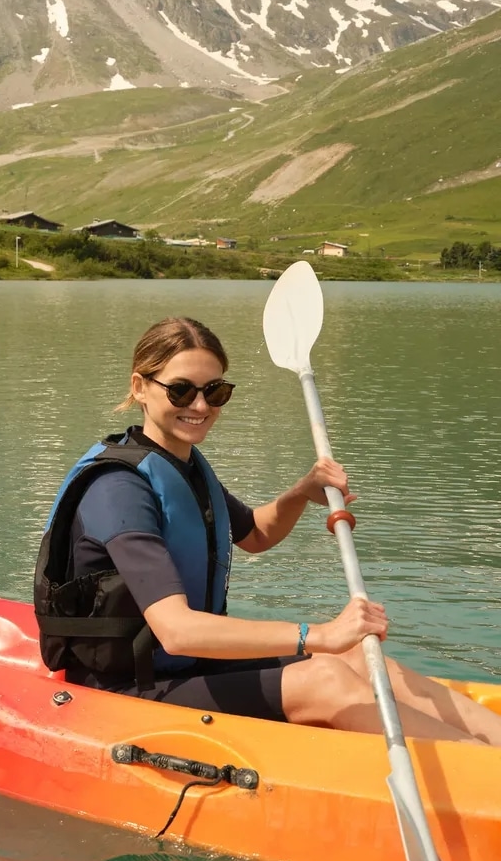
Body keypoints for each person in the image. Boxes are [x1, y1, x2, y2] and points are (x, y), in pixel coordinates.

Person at [34, 316, 501, 745]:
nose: (200, 405)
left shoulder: (184, 466)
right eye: (181, 391)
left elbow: (255, 533)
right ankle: (477, 770)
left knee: (361, 659)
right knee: (327, 678)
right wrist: (315, 635)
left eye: (214, 392)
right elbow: (175, 631)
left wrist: (300, 492)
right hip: (130, 684)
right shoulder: (119, 489)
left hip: (189, 667)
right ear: (140, 387)